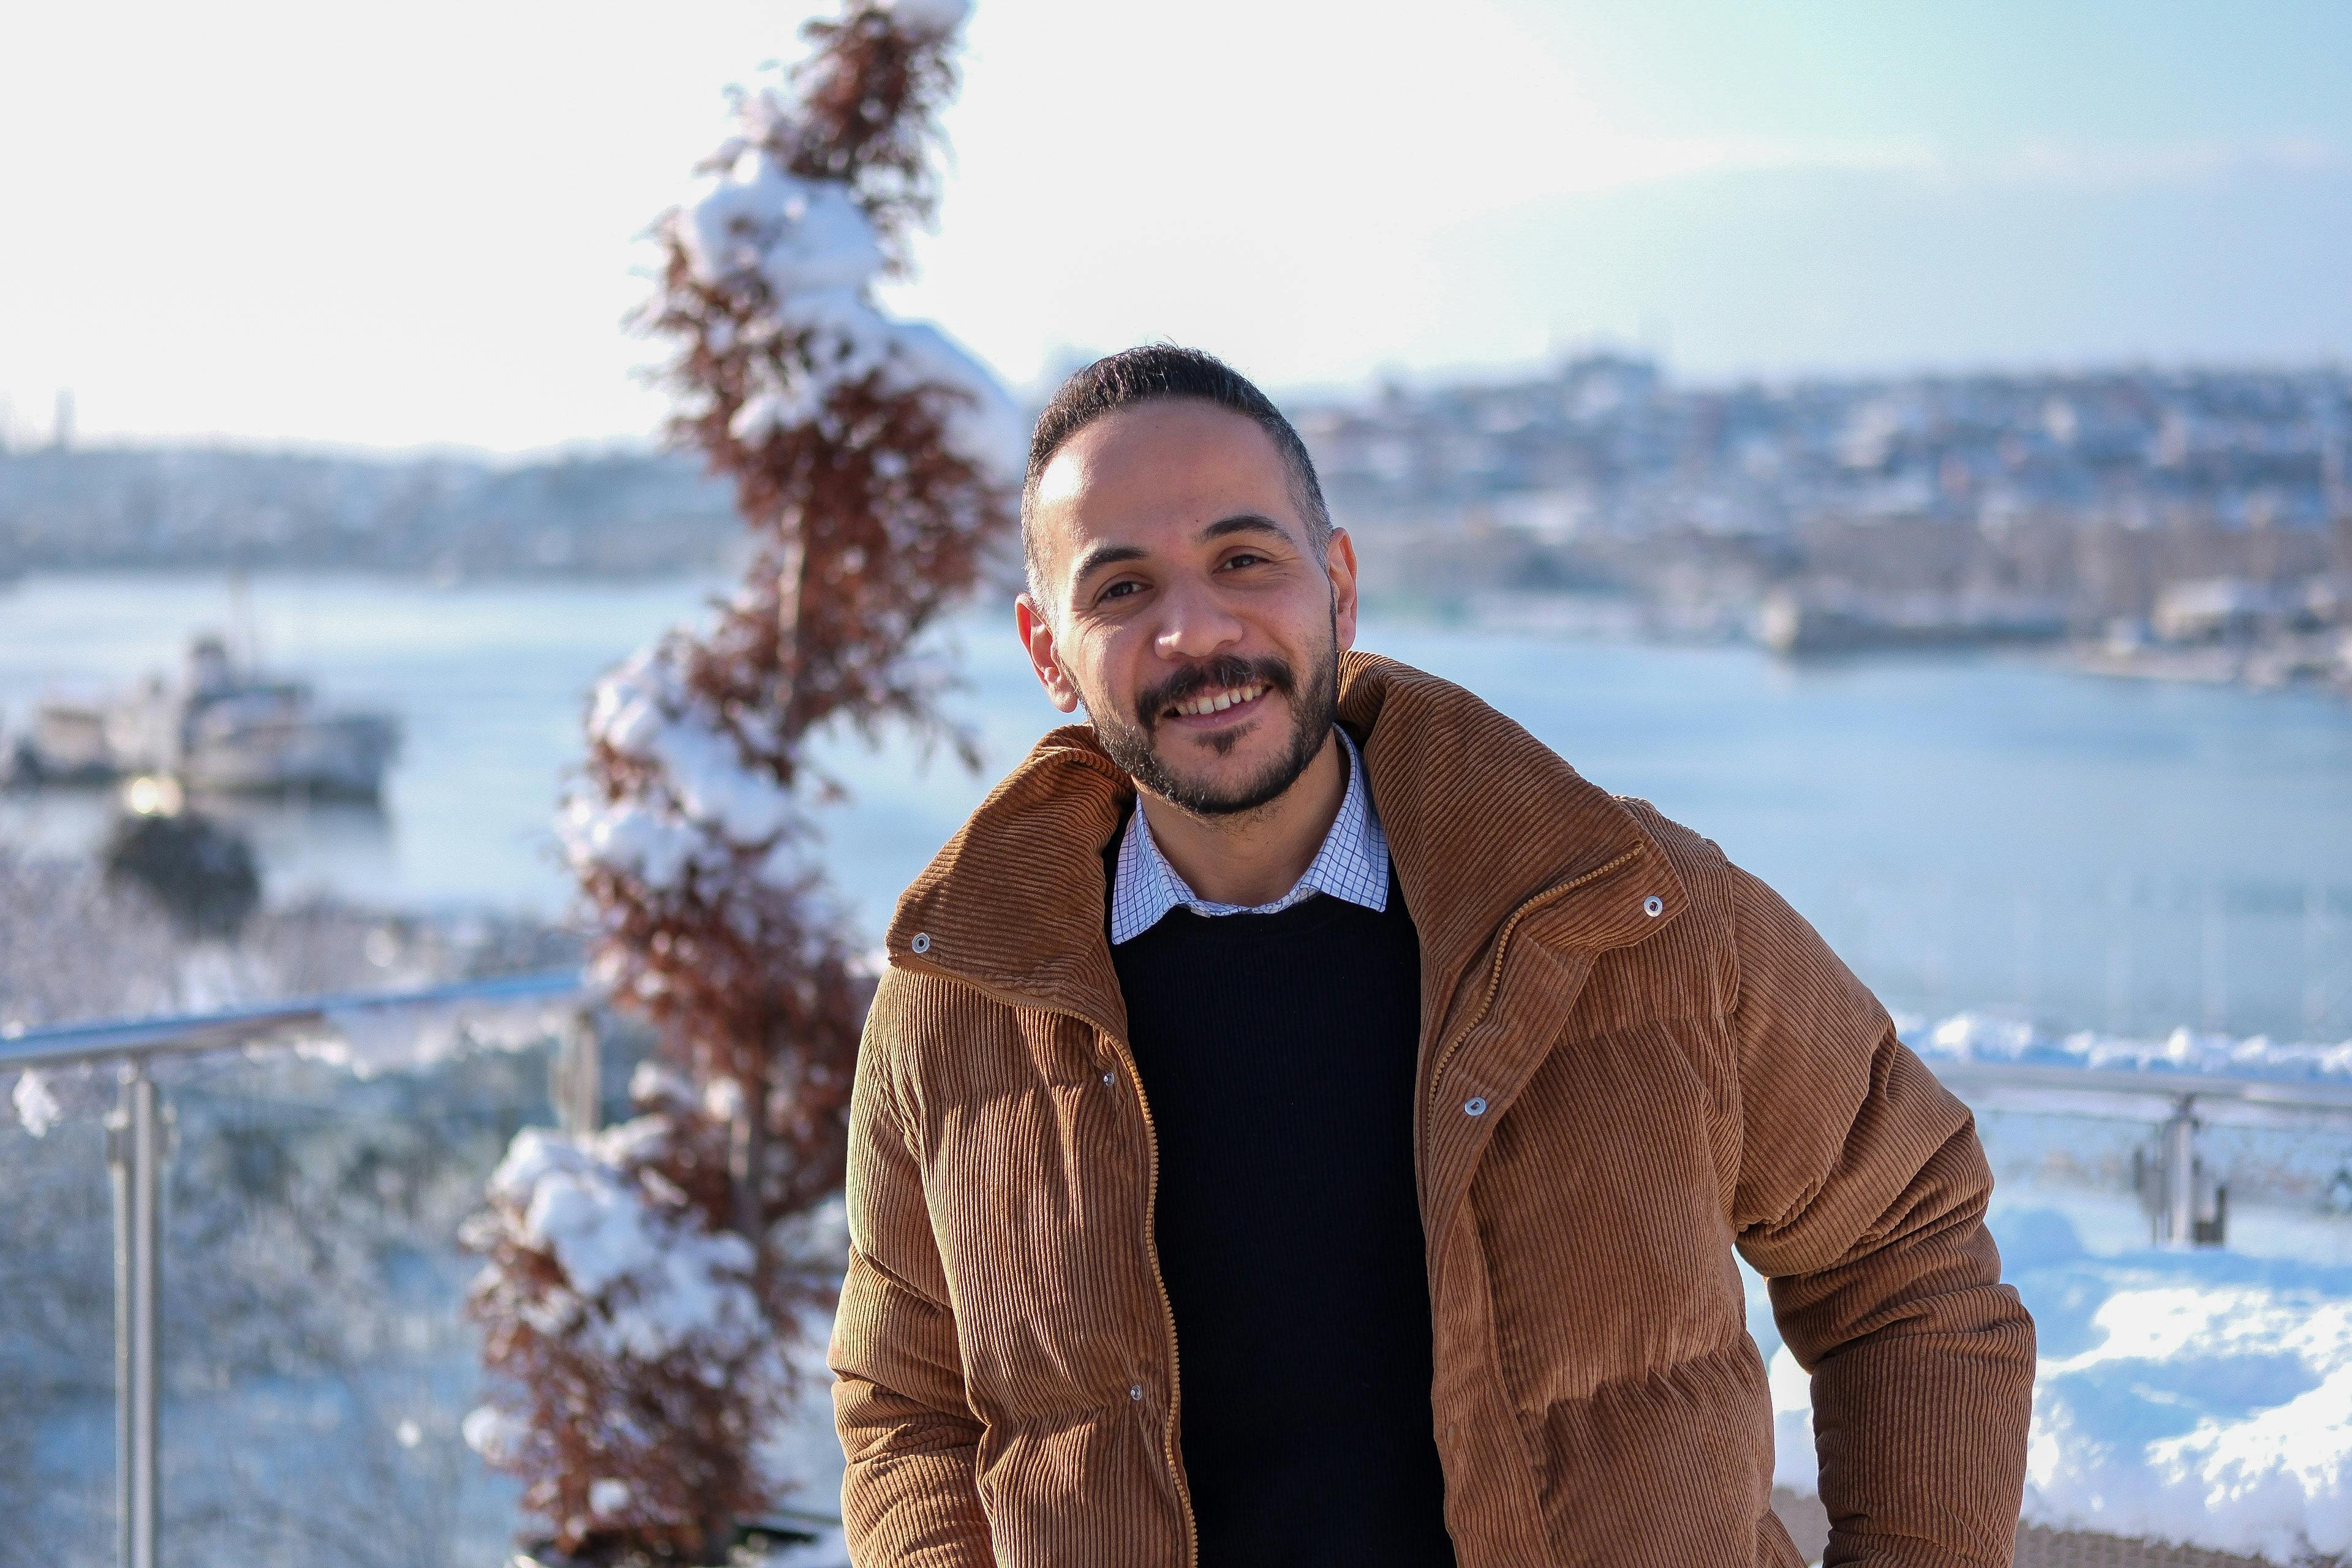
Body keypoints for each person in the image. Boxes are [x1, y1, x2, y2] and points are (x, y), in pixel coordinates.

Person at [829, 345, 2034, 1567]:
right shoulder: (957, 1005)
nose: (1196, 628)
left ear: (1339, 587)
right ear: (1048, 649)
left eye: (1244, 558)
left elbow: (1908, 1244)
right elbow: (909, 1408)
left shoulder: (1634, 913)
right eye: (1123, 588)